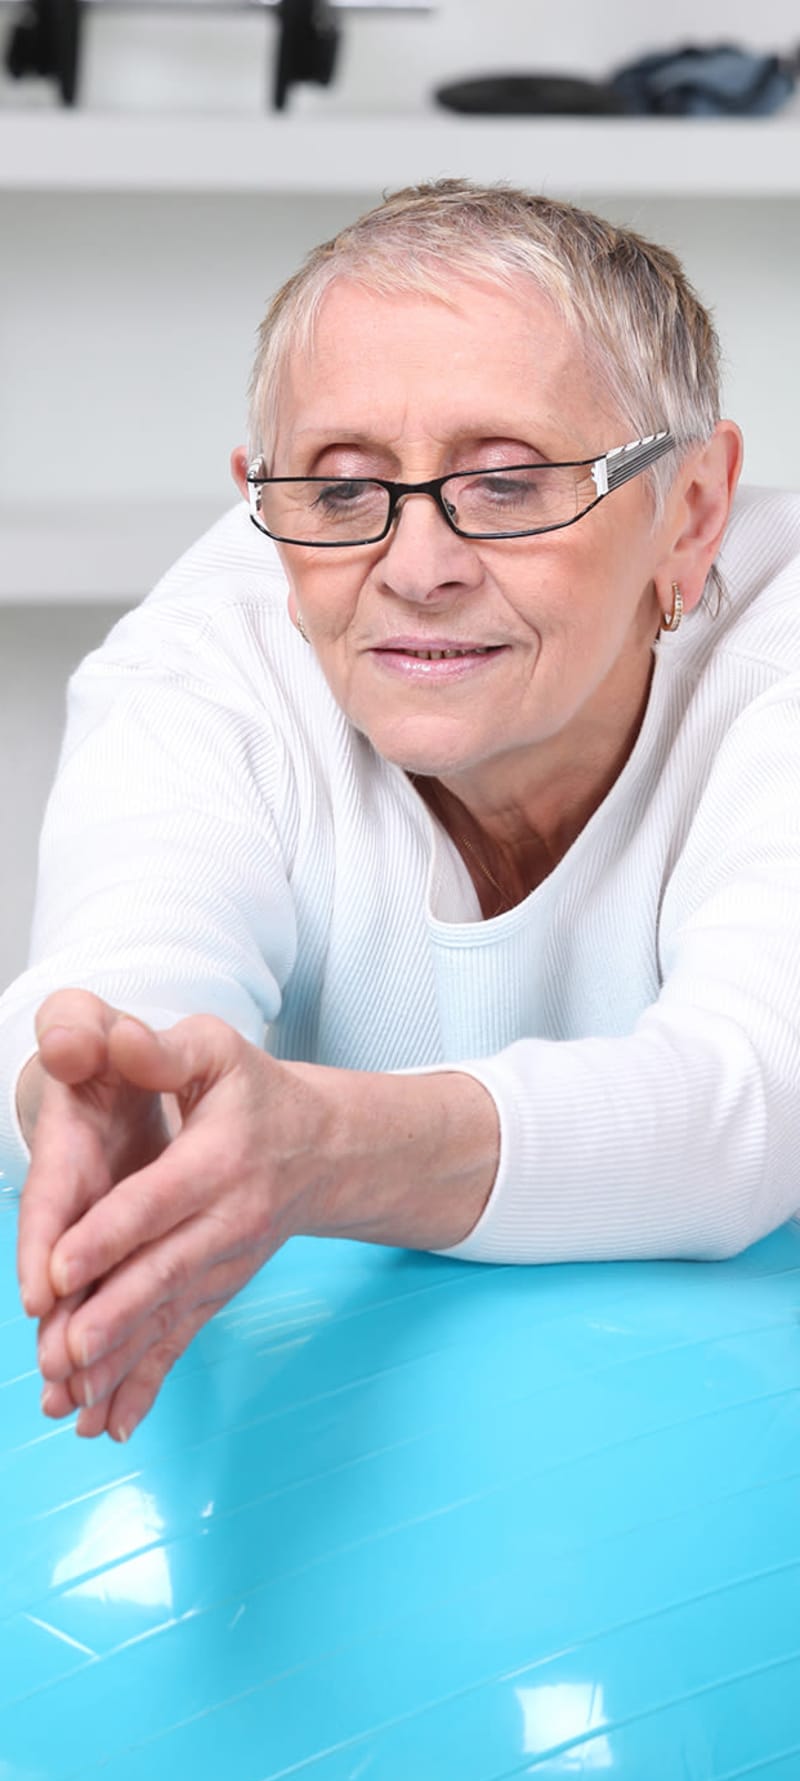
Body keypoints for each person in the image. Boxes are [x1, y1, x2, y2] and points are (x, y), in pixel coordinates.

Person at [2, 179, 799, 1448]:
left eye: (506, 482)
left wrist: (327, 1146)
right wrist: (104, 1098)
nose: (416, 568)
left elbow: (745, 1096)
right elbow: (124, 971)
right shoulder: (201, 665)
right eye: (338, 487)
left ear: (689, 509)